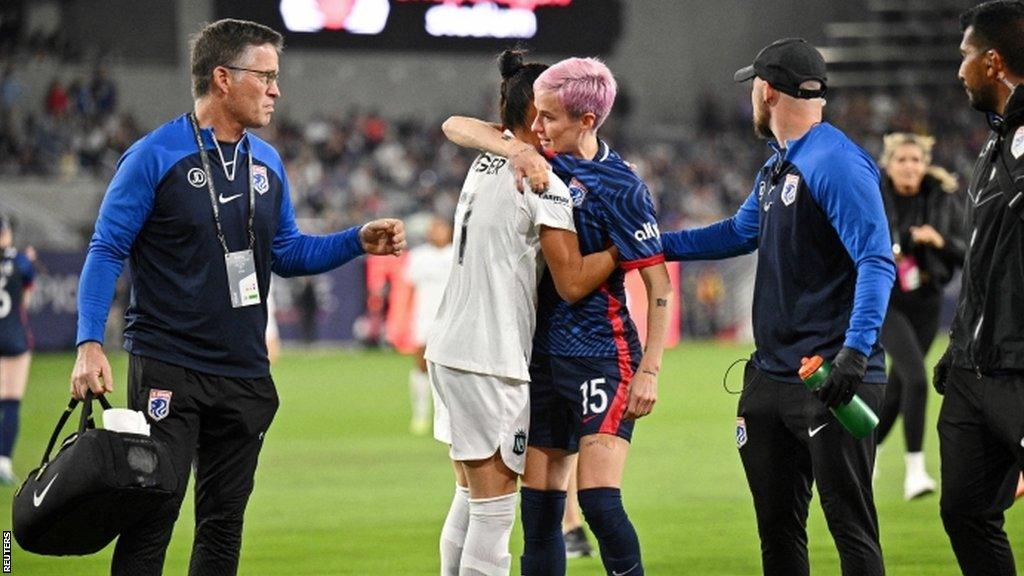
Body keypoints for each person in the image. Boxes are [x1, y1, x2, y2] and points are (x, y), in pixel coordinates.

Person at [69, 19, 406, 576]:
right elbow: (106, 250)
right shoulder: (154, 156)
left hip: (245, 373)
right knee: (151, 518)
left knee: (223, 528)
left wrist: (356, 241)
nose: (276, 89)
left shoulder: (268, 163)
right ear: (223, 78)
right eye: (265, 76)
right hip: (169, 366)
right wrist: (88, 343)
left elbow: (288, 252)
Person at [660, 39, 894, 576]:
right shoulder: (781, 164)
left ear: (766, 92)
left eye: (752, 90)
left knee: (851, 531)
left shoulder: (835, 162)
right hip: (769, 377)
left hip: (829, 377)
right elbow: (740, 232)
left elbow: (876, 261)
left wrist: (855, 354)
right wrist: (652, 245)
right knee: (778, 535)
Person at [443, 56, 673, 576]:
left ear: (586, 120)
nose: (537, 127)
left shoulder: (623, 187)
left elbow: (658, 285)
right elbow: (459, 125)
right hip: (542, 359)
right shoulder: (542, 160)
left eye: (548, 117)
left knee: (598, 502)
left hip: (602, 356)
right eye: (536, 116)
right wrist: (519, 147)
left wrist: (650, 369)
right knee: (540, 514)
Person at [935, 2, 1024, 573]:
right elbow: (986, 264)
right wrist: (959, 346)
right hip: (973, 368)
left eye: (965, 56)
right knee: (965, 510)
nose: (958, 69)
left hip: (1018, 370)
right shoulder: (995, 145)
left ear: (992, 62)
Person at [874, 132, 965, 500]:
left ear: (925, 164)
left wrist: (937, 239)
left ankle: (867, 455)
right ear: (889, 165)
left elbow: (966, 253)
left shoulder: (943, 199)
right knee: (915, 378)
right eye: (901, 160)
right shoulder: (875, 195)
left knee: (898, 388)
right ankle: (915, 471)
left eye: (915, 159)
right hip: (886, 299)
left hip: (926, 299)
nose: (909, 166)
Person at [406, 215, 453, 436]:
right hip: (425, 318)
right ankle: (421, 413)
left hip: (453, 319)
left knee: (452, 369)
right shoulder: (418, 256)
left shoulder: (457, 254)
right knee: (421, 366)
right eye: (434, 228)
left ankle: (449, 416)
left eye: (441, 228)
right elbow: (408, 288)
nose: (437, 232)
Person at [0, 213, 35, 485]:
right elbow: (25, 298)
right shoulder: (21, 262)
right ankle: (3, 462)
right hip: (13, 337)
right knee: (10, 401)